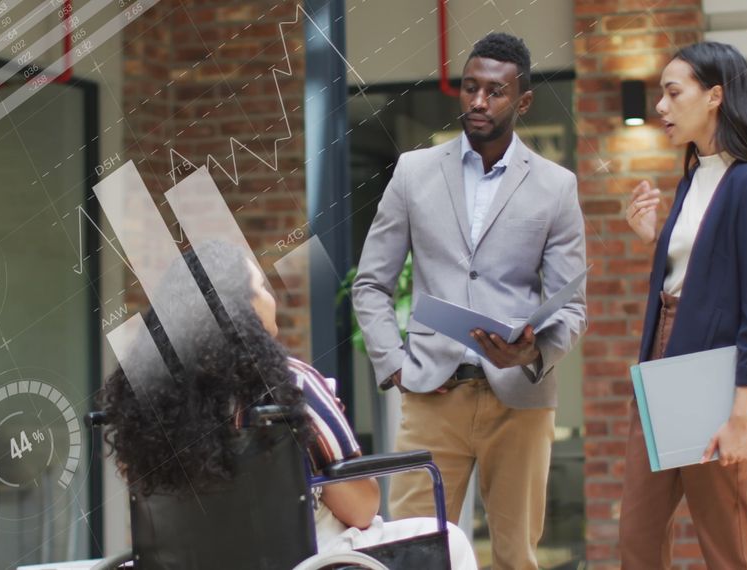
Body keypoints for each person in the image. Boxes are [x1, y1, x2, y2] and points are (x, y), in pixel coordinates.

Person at [352, 32, 587, 569]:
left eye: (496, 92)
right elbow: (371, 285)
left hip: (519, 403)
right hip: (431, 394)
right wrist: (393, 367)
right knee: (411, 555)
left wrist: (531, 353)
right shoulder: (414, 172)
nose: (479, 102)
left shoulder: (556, 187)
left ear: (523, 101)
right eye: (470, 87)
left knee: (515, 558)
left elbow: (571, 307)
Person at [100, 241, 478, 569]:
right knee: (452, 541)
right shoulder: (289, 384)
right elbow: (362, 511)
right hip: (306, 559)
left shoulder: (146, 401)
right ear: (240, 310)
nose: (272, 297)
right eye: (261, 287)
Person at [620, 41, 747, 569]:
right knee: (637, 539)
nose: (661, 107)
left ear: (715, 96)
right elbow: (702, 274)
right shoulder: (694, 176)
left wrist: (742, 417)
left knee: (726, 545)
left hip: (717, 378)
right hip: (661, 366)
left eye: (673, 93)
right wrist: (656, 240)